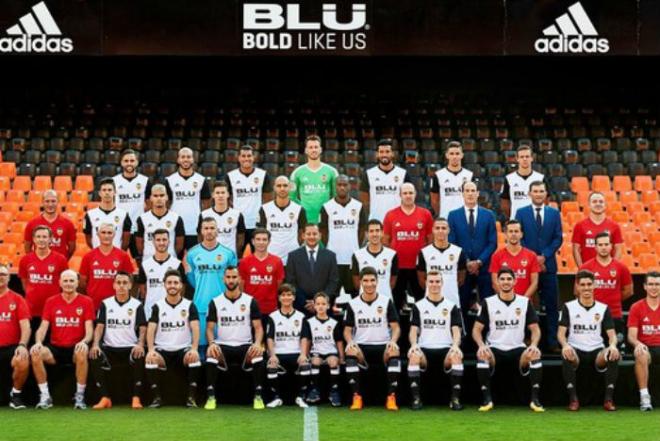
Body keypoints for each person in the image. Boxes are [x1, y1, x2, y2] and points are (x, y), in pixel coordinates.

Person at [472, 268, 544, 413]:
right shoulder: (488, 302)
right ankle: (487, 399)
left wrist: (534, 345)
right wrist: (481, 345)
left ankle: (535, 400)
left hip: (517, 348)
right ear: (497, 282)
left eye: (509, 279)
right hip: (495, 348)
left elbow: (535, 329)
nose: (506, 282)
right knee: (482, 355)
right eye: (502, 279)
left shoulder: (524, 302)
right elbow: (476, 330)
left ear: (514, 281)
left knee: (535, 354)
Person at [30, 270, 95, 410]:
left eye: (72, 281)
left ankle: (79, 396)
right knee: (35, 353)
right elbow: (42, 328)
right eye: (65, 281)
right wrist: (38, 343)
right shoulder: (51, 301)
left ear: (77, 283)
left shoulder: (86, 301)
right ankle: (45, 396)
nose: (68, 284)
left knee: (82, 352)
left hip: (75, 348)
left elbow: (89, 330)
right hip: (56, 348)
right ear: (59, 282)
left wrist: (84, 341)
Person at [203, 267, 265, 410]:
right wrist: (212, 343)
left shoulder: (250, 301)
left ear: (240, 279)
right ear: (224, 279)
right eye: (228, 277)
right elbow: (210, 328)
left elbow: (258, 328)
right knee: (211, 354)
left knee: (258, 355)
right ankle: (211, 397)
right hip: (223, 344)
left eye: (234, 277)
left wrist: (257, 343)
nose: (231, 280)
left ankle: (258, 396)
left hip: (244, 345)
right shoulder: (215, 302)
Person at [558, 270, 619, 412]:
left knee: (613, 354)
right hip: (576, 350)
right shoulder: (568, 306)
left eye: (589, 284)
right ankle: (573, 399)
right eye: (583, 284)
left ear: (594, 285)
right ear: (577, 287)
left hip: (596, 350)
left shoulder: (603, 308)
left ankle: (608, 400)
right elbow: (561, 334)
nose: (586, 288)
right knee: (566, 354)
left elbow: (612, 334)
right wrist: (565, 345)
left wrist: (613, 346)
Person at [344, 267, 401, 411]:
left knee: (394, 352)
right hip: (361, 346)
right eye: (366, 281)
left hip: (382, 345)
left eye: (372, 280)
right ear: (361, 282)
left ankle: (391, 397)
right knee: (350, 352)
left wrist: (393, 341)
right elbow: (347, 330)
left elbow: (396, 327)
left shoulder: (386, 301)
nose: (369, 284)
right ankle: (356, 397)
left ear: (377, 281)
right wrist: (350, 342)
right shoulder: (353, 304)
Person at [515, 180, 563, 351]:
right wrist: (534, 259)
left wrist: (545, 256)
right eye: (535, 191)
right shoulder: (520, 213)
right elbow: (520, 237)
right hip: (527, 266)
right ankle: (525, 339)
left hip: (548, 266)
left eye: (541, 191)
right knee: (525, 304)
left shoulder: (554, 213)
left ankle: (552, 342)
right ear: (529, 193)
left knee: (552, 306)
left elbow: (558, 238)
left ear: (545, 194)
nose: (538, 194)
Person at [89, 272, 146, 410]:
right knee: (94, 354)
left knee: (139, 354)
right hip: (110, 347)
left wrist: (140, 344)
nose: (121, 286)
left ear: (130, 285)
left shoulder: (137, 304)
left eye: (125, 283)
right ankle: (105, 398)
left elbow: (143, 327)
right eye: (119, 283)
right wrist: (95, 344)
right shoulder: (106, 304)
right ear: (114, 285)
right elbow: (100, 326)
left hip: (130, 347)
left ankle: (136, 398)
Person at [408, 271, 464, 411]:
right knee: (414, 356)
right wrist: (414, 344)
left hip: (445, 349)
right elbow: (413, 331)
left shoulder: (451, 306)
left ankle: (455, 399)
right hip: (424, 349)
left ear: (442, 283)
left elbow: (456, 331)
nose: (434, 284)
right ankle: (416, 399)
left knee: (456, 356)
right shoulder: (418, 306)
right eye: (431, 281)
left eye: (437, 281)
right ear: (426, 283)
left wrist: (456, 345)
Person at [145, 270, 201, 408]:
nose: (172, 285)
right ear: (164, 285)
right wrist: (151, 349)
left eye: (176, 283)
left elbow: (195, 328)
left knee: (194, 358)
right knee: (151, 359)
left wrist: (194, 349)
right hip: (162, 349)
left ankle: (191, 398)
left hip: (183, 349)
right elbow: (151, 329)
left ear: (181, 285)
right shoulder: (157, 306)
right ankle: (157, 398)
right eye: (169, 283)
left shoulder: (189, 305)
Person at [186, 217, 238, 346]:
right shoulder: (192, 254)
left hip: (223, 306)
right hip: (200, 305)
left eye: (212, 228)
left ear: (217, 231)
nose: (209, 231)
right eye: (206, 228)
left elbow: (233, 279)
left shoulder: (228, 253)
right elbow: (191, 279)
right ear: (201, 231)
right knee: (202, 345)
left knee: (221, 345)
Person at [448, 181, 497, 313]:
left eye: (473, 191)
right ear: (462, 194)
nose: (470, 194)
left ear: (478, 193)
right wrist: (467, 261)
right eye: (467, 191)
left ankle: (486, 333)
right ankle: (463, 333)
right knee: (462, 304)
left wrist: (479, 261)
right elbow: (452, 242)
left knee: (488, 306)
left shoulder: (489, 215)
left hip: (485, 267)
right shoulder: (453, 215)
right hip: (463, 267)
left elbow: (493, 243)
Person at [383, 183, 434, 311]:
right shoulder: (390, 215)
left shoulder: (425, 214)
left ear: (415, 194)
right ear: (400, 195)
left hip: (418, 267)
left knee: (421, 300)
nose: (408, 196)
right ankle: (397, 329)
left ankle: (420, 328)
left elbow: (430, 240)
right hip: (397, 266)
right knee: (396, 301)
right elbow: (385, 241)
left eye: (411, 193)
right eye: (405, 193)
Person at [321, 175, 367, 296]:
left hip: (352, 258)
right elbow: (323, 231)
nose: (342, 187)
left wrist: (355, 245)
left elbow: (362, 230)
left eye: (345, 185)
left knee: (356, 293)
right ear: (335, 187)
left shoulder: (358, 206)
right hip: (333, 258)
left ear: (349, 186)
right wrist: (330, 247)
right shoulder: (327, 207)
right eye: (339, 185)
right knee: (331, 294)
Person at [578, 232, 633, 336]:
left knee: (614, 350)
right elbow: (577, 291)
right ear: (595, 247)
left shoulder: (621, 268)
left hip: (614, 314)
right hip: (590, 314)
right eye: (600, 245)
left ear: (611, 246)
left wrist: (613, 299)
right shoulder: (586, 267)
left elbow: (628, 291)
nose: (604, 248)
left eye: (606, 244)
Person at [265, 284, 309, 408]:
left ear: (294, 297)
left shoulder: (301, 316)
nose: (286, 298)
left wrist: (303, 354)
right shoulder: (273, 316)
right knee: (271, 364)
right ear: (279, 298)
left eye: (289, 295)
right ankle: (276, 397)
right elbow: (269, 338)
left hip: (295, 352)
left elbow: (304, 337)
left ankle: (301, 397)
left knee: (305, 363)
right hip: (279, 353)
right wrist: (272, 355)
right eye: (283, 295)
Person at [19, 226, 68, 329]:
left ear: (50, 239)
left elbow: (64, 284)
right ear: (33, 239)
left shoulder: (60, 259)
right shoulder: (25, 260)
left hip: (54, 309)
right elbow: (24, 283)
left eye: (44, 237)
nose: (41, 240)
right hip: (32, 310)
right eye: (38, 237)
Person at [301, 291, 344, 407]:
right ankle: (314, 390)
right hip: (316, 352)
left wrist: (342, 357)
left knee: (333, 361)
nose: (320, 306)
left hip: (331, 352)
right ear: (314, 306)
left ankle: (334, 391)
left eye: (323, 304)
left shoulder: (334, 322)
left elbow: (339, 341)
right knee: (315, 361)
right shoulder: (309, 322)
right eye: (318, 304)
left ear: (328, 306)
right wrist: (304, 355)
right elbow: (307, 340)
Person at [79, 223, 136, 310]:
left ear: (114, 235)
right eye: (103, 232)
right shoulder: (88, 257)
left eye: (109, 233)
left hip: (117, 305)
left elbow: (129, 281)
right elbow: (82, 283)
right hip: (94, 306)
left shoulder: (123, 256)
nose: (106, 236)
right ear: (98, 235)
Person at [164, 147, 211, 250]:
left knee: (196, 261)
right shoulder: (170, 180)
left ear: (193, 159)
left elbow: (206, 205)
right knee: (175, 261)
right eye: (183, 157)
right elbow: (166, 204)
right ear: (178, 160)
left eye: (188, 157)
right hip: (175, 227)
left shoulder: (201, 180)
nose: (186, 159)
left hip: (194, 228)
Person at [226, 145, 271, 251]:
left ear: (253, 157)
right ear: (239, 158)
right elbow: (226, 199)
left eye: (249, 156)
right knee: (236, 256)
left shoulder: (262, 175)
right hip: (238, 223)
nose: (246, 158)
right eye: (244, 156)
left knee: (258, 256)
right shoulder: (230, 176)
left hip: (257, 223)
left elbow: (268, 200)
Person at [286, 224, 339, 313]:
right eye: (308, 234)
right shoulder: (293, 256)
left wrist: (319, 301)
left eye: (314, 234)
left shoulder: (330, 256)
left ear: (320, 236)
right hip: (301, 305)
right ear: (303, 236)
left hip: (324, 307)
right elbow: (291, 281)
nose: (311, 237)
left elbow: (333, 281)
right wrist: (303, 301)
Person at [627, 271, 660, 411]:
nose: (654, 287)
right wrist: (638, 344)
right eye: (651, 284)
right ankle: (644, 397)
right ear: (645, 287)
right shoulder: (636, 307)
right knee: (640, 352)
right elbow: (631, 336)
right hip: (646, 347)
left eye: (657, 284)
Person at [417, 217, 466, 308]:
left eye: (443, 228)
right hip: (430, 302)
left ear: (448, 230)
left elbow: (461, 279)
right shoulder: (424, 252)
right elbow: (421, 279)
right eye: (437, 228)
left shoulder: (458, 251)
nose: (440, 231)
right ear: (433, 230)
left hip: (452, 300)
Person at [0, 264, 31, 409]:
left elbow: (26, 327)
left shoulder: (17, 299)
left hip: (10, 347)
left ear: (9, 278)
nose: (0, 277)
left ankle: (16, 395)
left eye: (3, 274)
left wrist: (22, 345)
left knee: (22, 358)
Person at [289, 135, 338, 224]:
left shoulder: (332, 171)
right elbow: (291, 197)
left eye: (316, 147)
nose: (314, 150)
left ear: (321, 149)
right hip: (305, 218)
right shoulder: (297, 173)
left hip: (326, 217)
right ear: (306, 150)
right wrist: (302, 208)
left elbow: (336, 196)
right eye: (310, 147)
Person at [258, 176, 307, 264]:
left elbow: (302, 233)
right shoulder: (265, 209)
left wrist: (295, 246)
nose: (282, 188)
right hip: (271, 256)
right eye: (279, 186)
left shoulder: (299, 209)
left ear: (290, 187)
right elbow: (262, 233)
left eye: (285, 185)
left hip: (292, 258)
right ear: (274, 188)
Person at [137, 229, 185, 319]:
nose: (161, 243)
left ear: (169, 241)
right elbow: (143, 291)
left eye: (164, 240)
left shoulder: (177, 264)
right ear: (153, 242)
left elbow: (182, 290)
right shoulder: (145, 265)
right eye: (158, 240)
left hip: (172, 313)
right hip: (150, 312)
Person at [359, 139, 409, 222]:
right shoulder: (369, 174)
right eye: (381, 152)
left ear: (392, 154)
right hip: (376, 221)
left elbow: (409, 198)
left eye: (387, 151)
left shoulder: (403, 174)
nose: (384, 154)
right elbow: (364, 200)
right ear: (377, 155)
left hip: (398, 221)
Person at [238, 228, 285, 315]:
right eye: (258, 239)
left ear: (269, 241)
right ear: (253, 241)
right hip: (250, 308)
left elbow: (279, 285)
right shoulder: (244, 262)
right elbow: (241, 286)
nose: (261, 242)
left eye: (264, 240)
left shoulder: (277, 261)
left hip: (271, 308)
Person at [488, 220, 540, 298]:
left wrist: (522, 300)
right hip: (504, 303)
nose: (513, 234)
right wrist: (506, 298)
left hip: (524, 303)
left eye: (516, 231)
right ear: (505, 234)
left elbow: (534, 283)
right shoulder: (496, 256)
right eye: (510, 231)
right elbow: (495, 283)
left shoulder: (531, 255)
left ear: (521, 234)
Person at [572, 192, 624, 266]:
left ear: (605, 205)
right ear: (589, 205)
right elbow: (575, 249)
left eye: (601, 202)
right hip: (587, 271)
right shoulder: (580, 225)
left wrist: (612, 267)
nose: (598, 204)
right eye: (594, 201)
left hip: (607, 271)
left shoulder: (614, 226)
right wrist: (582, 269)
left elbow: (618, 249)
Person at [113, 149, 152, 248]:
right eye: (126, 161)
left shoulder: (145, 181)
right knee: (119, 258)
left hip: (138, 227)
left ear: (137, 162)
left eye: (132, 160)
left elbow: (149, 204)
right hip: (119, 226)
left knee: (140, 258)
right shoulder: (114, 181)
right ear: (121, 163)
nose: (129, 163)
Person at [351, 219, 398, 301]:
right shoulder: (357, 255)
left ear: (382, 233)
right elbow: (356, 283)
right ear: (367, 234)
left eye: (377, 231)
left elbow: (393, 281)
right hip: (364, 301)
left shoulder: (392, 254)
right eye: (371, 231)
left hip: (386, 300)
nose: (375, 234)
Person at [135, 183, 185, 260]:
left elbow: (179, 245)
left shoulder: (177, 218)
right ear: (151, 198)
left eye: (162, 195)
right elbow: (139, 245)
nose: (159, 198)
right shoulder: (141, 219)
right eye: (155, 196)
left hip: (170, 262)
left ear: (167, 197)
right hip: (148, 261)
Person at [24, 189, 76, 258]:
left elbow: (72, 248)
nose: (50, 204)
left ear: (58, 202)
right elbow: (27, 247)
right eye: (47, 201)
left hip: (60, 266)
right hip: (40, 266)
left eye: (53, 201)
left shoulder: (68, 224)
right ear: (42, 202)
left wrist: (63, 260)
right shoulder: (32, 224)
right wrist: (36, 260)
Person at [198, 181, 245, 256]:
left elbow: (241, 239)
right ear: (213, 195)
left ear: (228, 194)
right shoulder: (204, 215)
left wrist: (234, 253)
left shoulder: (237, 215)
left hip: (229, 257)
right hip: (210, 256)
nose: (220, 195)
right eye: (217, 193)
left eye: (223, 192)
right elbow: (200, 237)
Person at [83, 178, 131, 250]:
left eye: (109, 190)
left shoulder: (124, 215)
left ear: (115, 192)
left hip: (116, 257)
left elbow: (126, 241)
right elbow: (88, 239)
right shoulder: (90, 215)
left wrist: (118, 253)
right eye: (104, 190)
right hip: (98, 257)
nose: (107, 193)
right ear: (99, 193)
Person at [430, 141, 474, 218]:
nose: (454, 157)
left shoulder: (469, 175)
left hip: (464, 218)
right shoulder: (438, 175)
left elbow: (473, 199)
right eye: (451, 154)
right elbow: (434, 201)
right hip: (446, 218)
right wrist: (442, 214)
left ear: (462, 155)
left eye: (457, 153)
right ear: (447, 155)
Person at [501, 145, 545, 219]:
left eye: (527, 156)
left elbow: (546, 201)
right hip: (516, 223)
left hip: (535, 220)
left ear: (532, 158)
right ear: (517, 159)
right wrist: (513, 216)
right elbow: (505, 204)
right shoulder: (509, 179)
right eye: (522, 157)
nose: (525, 159)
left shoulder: (540, 178)